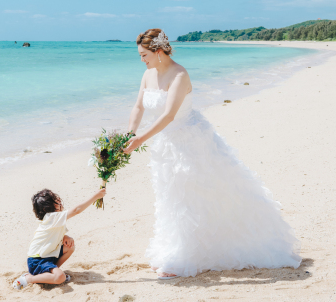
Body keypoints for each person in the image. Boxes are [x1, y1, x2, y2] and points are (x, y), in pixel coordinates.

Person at [123, 28, 302, 279]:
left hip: (190, 142)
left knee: (192, 195)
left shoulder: (179, 74)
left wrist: (141, 138)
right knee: (171, 195)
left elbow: (169, 115)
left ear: (159, 52)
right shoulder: (147, 74)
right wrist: (130, 133)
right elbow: (139, 106)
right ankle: (173, 250)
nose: (141, 59)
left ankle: (187, 257)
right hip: (164, 144)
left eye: (144, 55)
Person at [12, 187, 106, 290]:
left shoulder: (54, 219)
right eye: (55, 200)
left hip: (47, 256)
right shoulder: (51, 217)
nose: (59, 200)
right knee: (60, 277)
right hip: (37, 260)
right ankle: (29, 278)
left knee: (70, 247)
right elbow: (76, 210)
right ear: (45, 208)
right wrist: (95, 196)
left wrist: (66, 236)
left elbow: (52, 234)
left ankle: (51, 274)